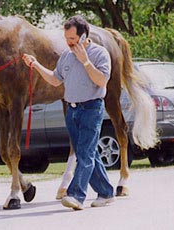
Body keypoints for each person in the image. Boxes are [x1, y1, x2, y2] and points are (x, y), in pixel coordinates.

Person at [22, 15, 115, 210]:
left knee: (85, 153)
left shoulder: (100, 54)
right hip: (72, 111)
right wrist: (36, 65)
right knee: (88, 154)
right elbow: (56, 80)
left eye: (72, 39)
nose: (69, 43)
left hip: (91, 108)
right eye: (67, 39)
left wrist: (86, 62)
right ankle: (106, 192)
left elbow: (102, 81)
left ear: (83, 36)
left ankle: (76, 195)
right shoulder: (66, 56)